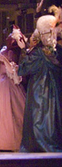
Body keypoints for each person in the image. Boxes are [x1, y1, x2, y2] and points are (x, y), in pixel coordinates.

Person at [18, 11, 62, 152]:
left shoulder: (38, 54)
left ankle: (41, 143)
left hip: (40, 92)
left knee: (40, 117)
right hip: (56, 92)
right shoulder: (57, 52)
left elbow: (23, 69)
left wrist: (25, 49)